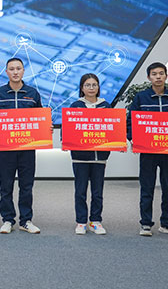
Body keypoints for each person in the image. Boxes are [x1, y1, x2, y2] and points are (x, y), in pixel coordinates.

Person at [0, 57, 44, 234]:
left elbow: (40, 116)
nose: (15, 72)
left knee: (26, 186)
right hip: (5, 148)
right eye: (12, 69)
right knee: (6, 185)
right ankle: (8, 219)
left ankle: (26, 220)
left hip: (27, 148)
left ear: (23, 71)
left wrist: (46, 126)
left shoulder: (33, 93)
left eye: (18, 68)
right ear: (6, 72)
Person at [127, 62, 168, 237]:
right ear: (148, 77)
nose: (158, 77)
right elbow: (130, 122)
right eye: (154, 74)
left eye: (161, 73)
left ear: (166, 76)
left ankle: (167, 224)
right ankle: (145, 224)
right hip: (148, 152)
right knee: (147, 188)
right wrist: (133, 139)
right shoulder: (141, 98)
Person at [68, 73, 110, 235]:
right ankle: (81, 221)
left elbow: (112, 129)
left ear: (98, 87)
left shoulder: (105, 106)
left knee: (97, 192)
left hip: (100, 157)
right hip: (80, 157)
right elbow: (68, 128)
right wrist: (65, 141)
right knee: (80, 191)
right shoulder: (75, 106)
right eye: (87, 85)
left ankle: (95, 221)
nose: (91, 88)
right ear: (82, 88)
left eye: (94, 85)